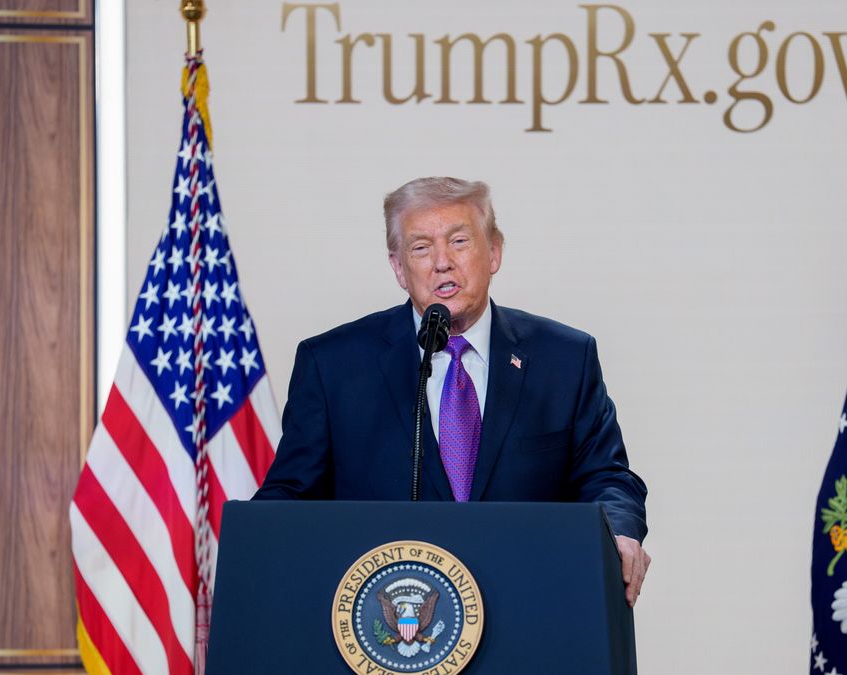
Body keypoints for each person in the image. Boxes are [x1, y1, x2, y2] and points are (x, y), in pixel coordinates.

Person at [254, 176, 650, 605]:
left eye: (459, 241)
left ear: (494, 252)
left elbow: (606, 476)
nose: (442, 262)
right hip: (389, 616)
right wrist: (253, 538)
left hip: (529, 602)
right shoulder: (333, 365)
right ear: (398, 268)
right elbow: (290, 496)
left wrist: (619, 532)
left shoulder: (564, 358)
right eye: (421, 248)